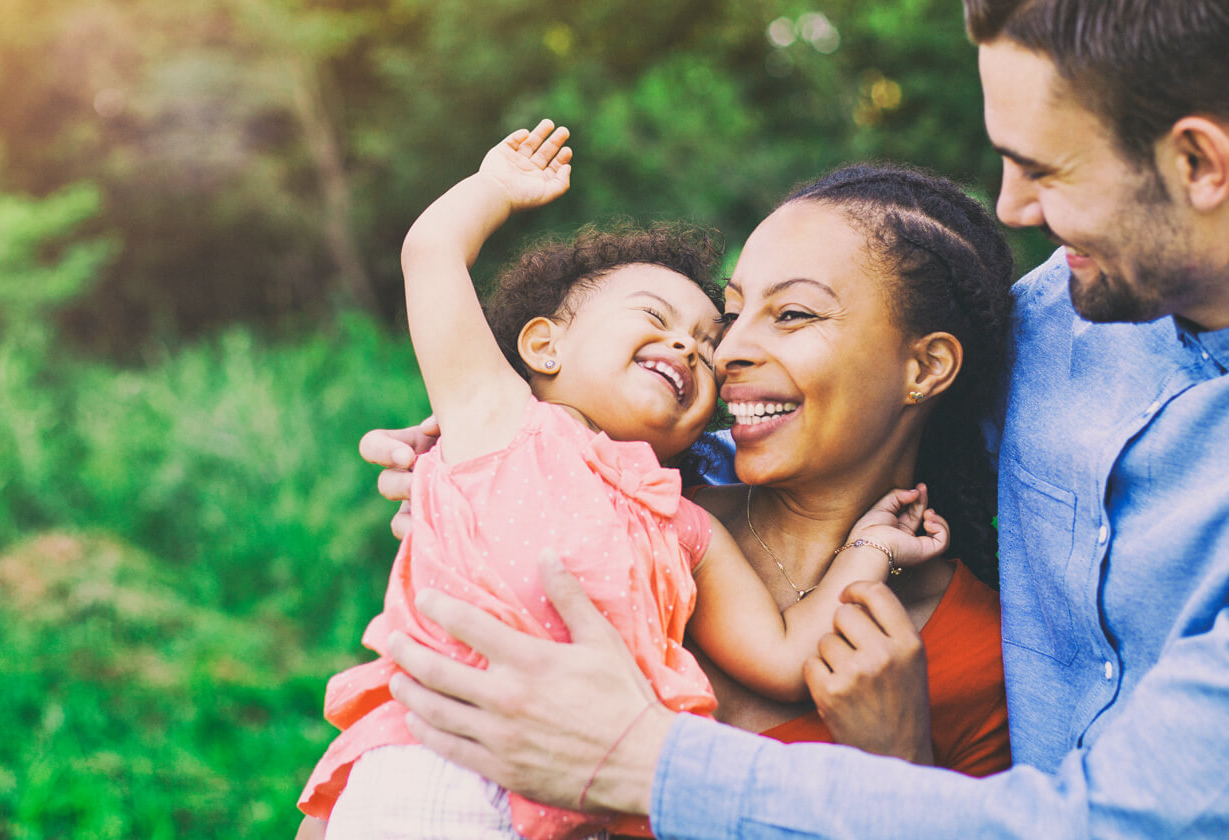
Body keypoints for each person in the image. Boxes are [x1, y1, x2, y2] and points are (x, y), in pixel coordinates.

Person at [372, 0, 1229, 836]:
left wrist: (892, 763)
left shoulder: (959, 658)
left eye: (1047, 169)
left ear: (1199, 163)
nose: (1014, 206)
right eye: (731, 311)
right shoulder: (1085, 297)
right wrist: (521, 434)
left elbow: (1120, 819)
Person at [299, 122, 947, 839]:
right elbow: (430, 252)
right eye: (653, 317)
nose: (688, 347)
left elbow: (786, 657)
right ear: (544, 345)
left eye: (706, 345)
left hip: (585, 810)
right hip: (442, 762)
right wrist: (494, 189)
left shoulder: (681, 523)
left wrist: (870, 548)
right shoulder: (496, 421)